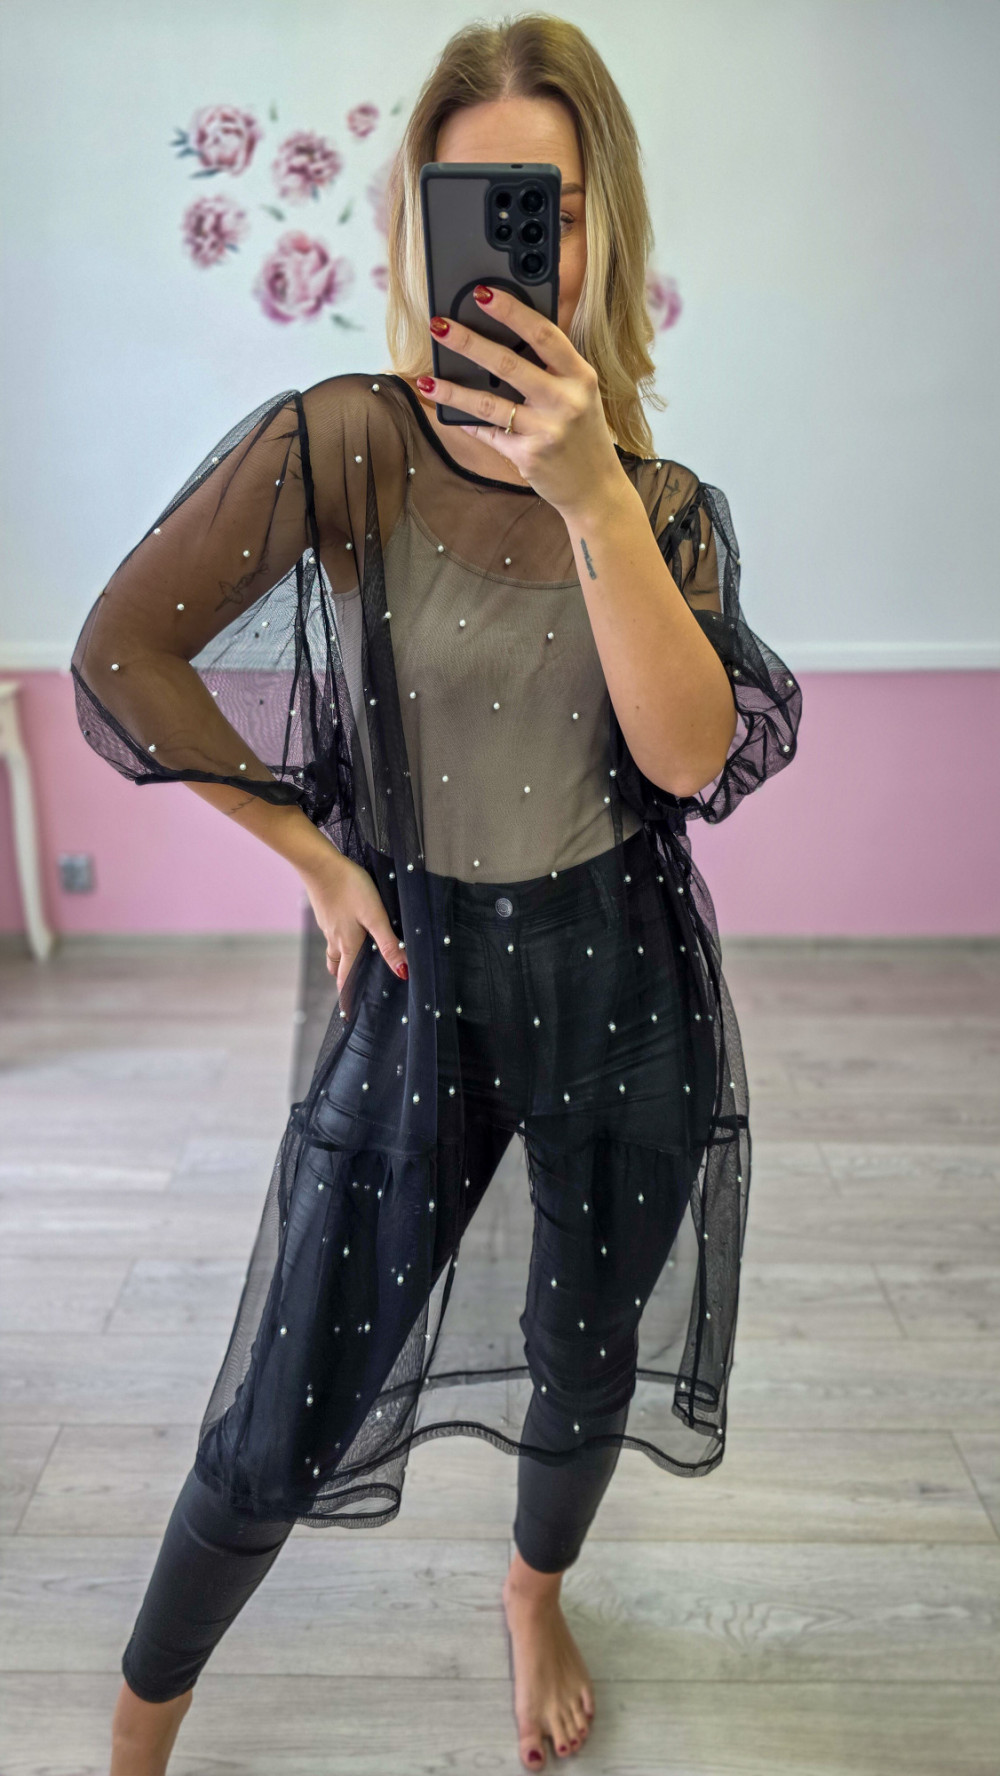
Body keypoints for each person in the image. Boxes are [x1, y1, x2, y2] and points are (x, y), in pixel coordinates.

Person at [71, 15, 801, 1774]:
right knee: (285, 1408)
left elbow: (691, 758)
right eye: (476, 204)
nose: (515, 244)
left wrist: (592, 498)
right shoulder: (348, 445)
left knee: (587, 1355)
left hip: (625, 979)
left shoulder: (662, 506)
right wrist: (317, 858)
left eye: (551, 207)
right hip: (420, 972)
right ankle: (136, 1739)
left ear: (605, 230)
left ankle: (534, 1592)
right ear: (415, 228)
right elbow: (125, 654)